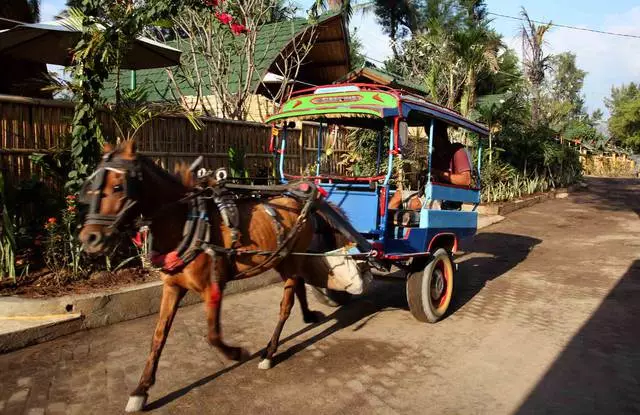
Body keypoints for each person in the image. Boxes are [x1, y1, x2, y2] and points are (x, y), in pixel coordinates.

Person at [388, 120, 472, 211]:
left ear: (441, 135)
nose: (430, 139)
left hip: (447, 199)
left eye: (432, 135)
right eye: (429, 135)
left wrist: (439, 173)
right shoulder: (434, 154)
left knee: (414, 204)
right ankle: (387, 223)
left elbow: (466, 180)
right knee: (397, 196)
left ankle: (407, 223)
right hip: (430, 193)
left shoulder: (457, 151)